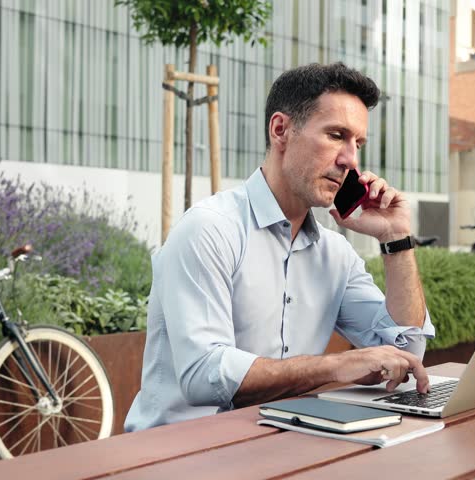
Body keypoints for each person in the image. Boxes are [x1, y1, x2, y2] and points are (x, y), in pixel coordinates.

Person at [124, 62, 436, 432]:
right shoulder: (209, 229)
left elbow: (408, 354)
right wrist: (334, 366)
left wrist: (394, 238)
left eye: (358, 144)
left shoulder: (335, 255)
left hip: (281, 441)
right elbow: (203, 374)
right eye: (337, 135)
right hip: (177, 454)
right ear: (280, 130)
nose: (351, 160)